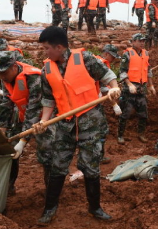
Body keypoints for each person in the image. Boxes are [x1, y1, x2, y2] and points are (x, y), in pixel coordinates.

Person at [34, 26, 120, 224]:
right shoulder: (46, 69)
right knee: (57, 166)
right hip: (64, 125)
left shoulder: (86, 59)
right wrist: (44, 121)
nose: (45, 52)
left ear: (59, 47)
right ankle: (50, 209)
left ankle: (95, 208)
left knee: (91, 167)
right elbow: (48, 100)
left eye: (47, 48)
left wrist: (115, 89)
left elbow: (108, 76)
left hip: (90, 123)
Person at [0, 51, 43, 196]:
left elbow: (34, 109)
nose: (1, 76)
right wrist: (3, 127)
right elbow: (6, 104)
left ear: (14, 67)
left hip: (45, 118)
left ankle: (51, 190)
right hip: (22, 115)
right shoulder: (5, 77)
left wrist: (23, 140)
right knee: (10, 150)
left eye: (4, 72)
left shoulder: (33, 78)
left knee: (46, 152)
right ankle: (9, 186)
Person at [118, 33, 156, 144]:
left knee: (143, 113)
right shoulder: (127, 54)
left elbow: (148, 71)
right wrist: (129, 85)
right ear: (133, 42)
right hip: (129, 90)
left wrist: (151, 85)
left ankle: (141, 134)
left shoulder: (146, 54)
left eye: (143, 41)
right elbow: (122, 72)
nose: (142, 43)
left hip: (141, 89)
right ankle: (120, 135)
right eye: (140, 41)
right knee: (125, 113)